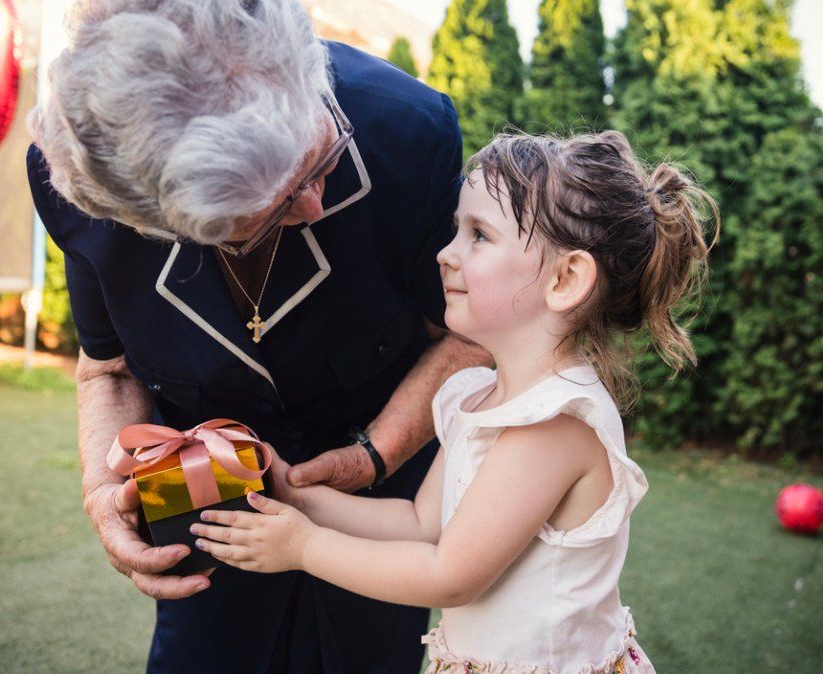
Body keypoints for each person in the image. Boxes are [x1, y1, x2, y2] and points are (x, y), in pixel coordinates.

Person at [24, 1, 488, 672]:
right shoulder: (79, 184)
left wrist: (373, 455)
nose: (315, 205)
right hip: (197, 495)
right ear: (153, 217)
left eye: (318, 160)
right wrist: (103, 491)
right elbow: (111, 369)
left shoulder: (408, 130)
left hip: (380, 504)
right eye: (266, 211)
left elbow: (467, 335)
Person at [191, 130, 720, 673]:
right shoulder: (482, 396)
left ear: (565, 280)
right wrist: (298, 497)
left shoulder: (553, 422)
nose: (446, 254)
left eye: (479, 236)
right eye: (455, 231)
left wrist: (304, 549)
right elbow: (422, 525)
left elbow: (450, 574)